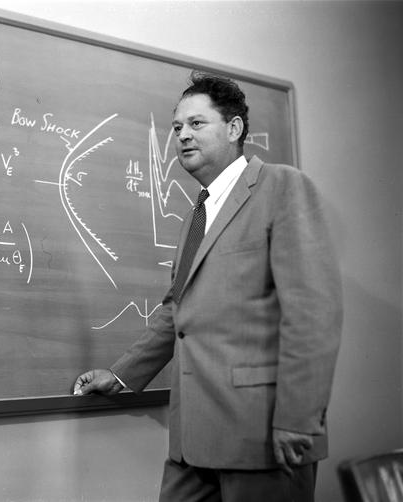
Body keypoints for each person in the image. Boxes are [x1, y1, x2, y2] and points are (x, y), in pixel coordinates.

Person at [73, 72, 342, 502]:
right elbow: (177, 309)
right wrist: (122, 375)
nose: (182, 135)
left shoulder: (282, 187)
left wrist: (299, 420)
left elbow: (313, 313)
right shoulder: (195, 217)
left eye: (197, 123)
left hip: (263, 436)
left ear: (234, 129)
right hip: (192, 439)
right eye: (177, 127)